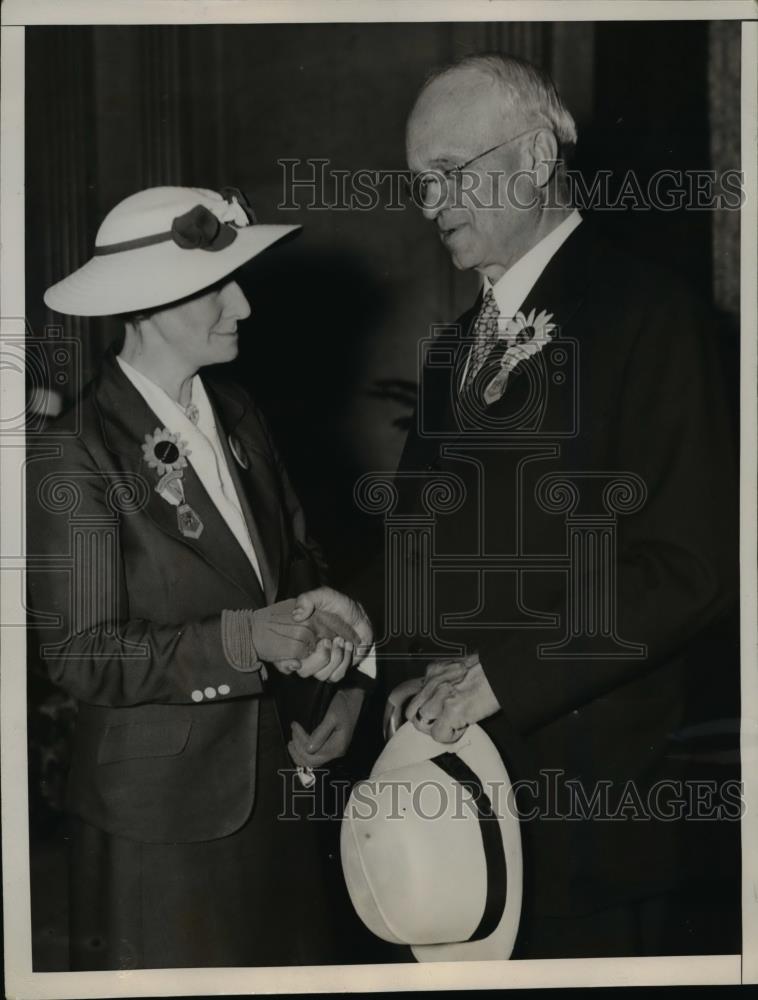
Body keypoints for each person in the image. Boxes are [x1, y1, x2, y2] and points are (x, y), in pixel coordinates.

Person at [376, 53, 739, 957]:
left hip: (593, 815)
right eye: (420, 183)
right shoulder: (451, 350)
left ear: (536, 156)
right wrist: (387, 671)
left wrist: (499, 678)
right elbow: (425, 552)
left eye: (451, 173)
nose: (431, 204)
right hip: (450, 808)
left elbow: (689, 569)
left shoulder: (651, 315)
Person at [27, 185, 372, 970]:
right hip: (160, 829)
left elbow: (299, 568)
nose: (243, 304)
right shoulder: (75, 450)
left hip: (282, 794)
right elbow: (82, 655)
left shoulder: (242, 412)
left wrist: (336, 677)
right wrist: (247, 639)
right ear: (143, 304)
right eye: (216, 286)